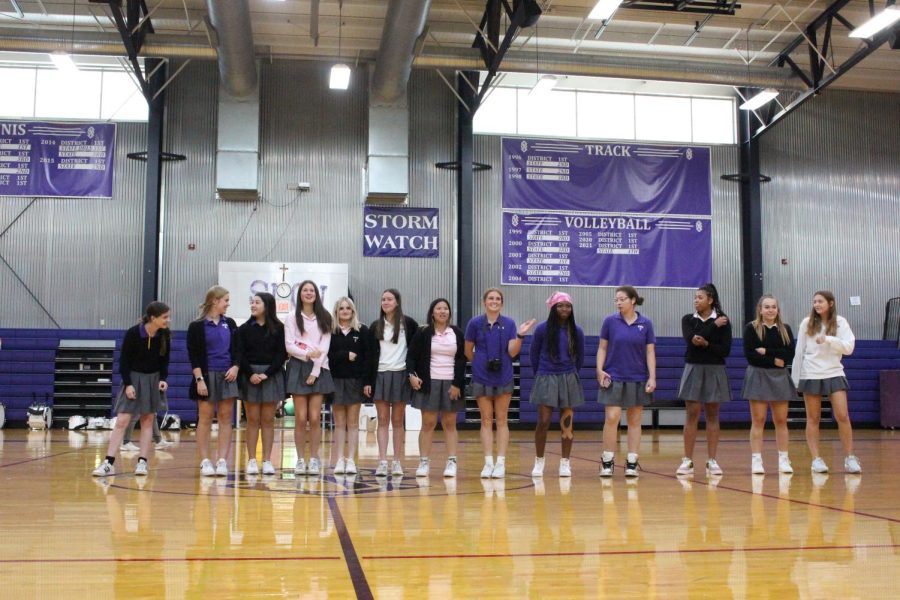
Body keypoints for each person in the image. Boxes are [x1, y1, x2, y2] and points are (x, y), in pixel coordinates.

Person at [92, 302, 171, 477]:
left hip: (153, 379)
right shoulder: (134, 333)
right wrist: (128, 384)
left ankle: (142, 462)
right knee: (122, 420)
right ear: (153, 318)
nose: (168, 320)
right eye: (165, 317)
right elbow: (124, 362)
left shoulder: (164, 335)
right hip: (134, 379)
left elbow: (165, 361)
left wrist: (163, 379)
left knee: (147, 421)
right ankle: (108, 463)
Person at [465, 288, 536, 479]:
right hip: (481, 376)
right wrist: (479, 363)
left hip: (503, 375)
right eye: (490, 298)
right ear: (484, 302)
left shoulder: (510, 324)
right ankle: (488, 463)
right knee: (486, 420)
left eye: (498, 299)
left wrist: (520, 335)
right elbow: (468, 351)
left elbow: (512, 352)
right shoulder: (474, 323)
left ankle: (501, 463)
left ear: (502, 303)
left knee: (502, 420)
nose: (494, 301)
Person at [791, 290, 859, 474]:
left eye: (820, 301)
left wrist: (829, 339)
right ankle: (816, 459)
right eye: (814, 301)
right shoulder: (807, 323)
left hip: (834, 372)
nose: (817, 304)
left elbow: (849, 348)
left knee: (843, 416)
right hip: (811, 373)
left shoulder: (840, 322)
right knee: (813, 418)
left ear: (830, 303)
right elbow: (799, 351)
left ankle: (850, 457)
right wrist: (796, 379)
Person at [596, 286, 657, 478]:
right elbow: (602, 348)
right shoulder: (609, 322)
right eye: (616, 300)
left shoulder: (645, 324)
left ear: (632, 300)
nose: (618, 302)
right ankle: (607, 461)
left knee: (634, 420)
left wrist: (652, 376)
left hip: (637, 377)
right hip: (613, 376)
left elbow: (650, 352)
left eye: (622, 299)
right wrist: (599, 370)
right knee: (612, 417)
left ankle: (632, 461)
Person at [676, 283, 732, 477]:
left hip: (715, 369)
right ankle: (687, 460)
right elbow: (692, 342)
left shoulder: (724, 322)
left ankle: (712, 460)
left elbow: (724, 351)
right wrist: (711, 329)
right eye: (695, 297)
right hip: (694, 368)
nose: (696, 301)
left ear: (711, 300)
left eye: (700, 297)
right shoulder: (688, 320)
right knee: (691, 414)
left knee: (712, 415)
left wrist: (706, 342)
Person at [407, 298, 467, 478]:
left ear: (449, 312)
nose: (442, 311)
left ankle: (451, 462)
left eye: (446, 309)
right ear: (432, 312)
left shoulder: (456, 332)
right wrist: (411, 376)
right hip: (429, 383)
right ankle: (424, 462)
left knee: (450, 423)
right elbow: (411, 357)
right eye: (439, 308)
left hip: (451, 383)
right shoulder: (423, 332)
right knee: (428, 423)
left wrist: (457, 383)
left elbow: (462, 360)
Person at [529, 292, 585, 478]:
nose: (565, 309)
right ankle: (539, 461)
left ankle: (565, 463)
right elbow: (533, 354)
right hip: (546, 376)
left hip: (568, 377)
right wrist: (541, 374)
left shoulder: (576, 331)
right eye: (560, 305)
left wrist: (571, 373)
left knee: (566, 424)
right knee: (543, 421)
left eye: (568, 306)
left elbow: (580, 357)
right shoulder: (542, 329)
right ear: (553, 308)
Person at [187, 286, 241, 477]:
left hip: (227, 375)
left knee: (226, 418)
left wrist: (235, 366)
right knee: (205, 418)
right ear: (214, 301)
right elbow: (193, 355)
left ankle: (222, 460)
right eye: (225, 300)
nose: (228, 304)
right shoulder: (196, 326)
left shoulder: (231, 324)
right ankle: (204, 461)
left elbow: (237, 350)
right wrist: (199, 379)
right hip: (206, 375)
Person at [284, 280, 334, 477]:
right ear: (299, 294)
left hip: (319, 368)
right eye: (305, 290)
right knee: (300, 418)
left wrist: (314, 371)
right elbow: (289, 345)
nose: (308, 293)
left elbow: (324, 346)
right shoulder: (291, 317)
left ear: (316, 294)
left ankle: (313, 458)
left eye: (312, 290)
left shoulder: (325, 317)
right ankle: (299, 459)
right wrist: (306, 354)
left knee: (314, 418)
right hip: (298, 366)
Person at [742, 294, 796, 475]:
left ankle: (783, 459)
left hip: (779, 377)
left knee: (781, 420)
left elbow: (789, 355)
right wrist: (776, 359)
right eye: (766, 307)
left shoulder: (785, 329)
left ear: (778, 309)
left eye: (773, 306)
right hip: (757, 375)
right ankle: (756, 460)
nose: (770, 310)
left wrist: (767, 352)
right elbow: (751, 356)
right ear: (760, 309)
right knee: (758, 420)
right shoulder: (751, 328)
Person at [367, 289, 418, 477]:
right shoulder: (375, 326)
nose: (385, 302)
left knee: (398, 421)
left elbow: (413, 352)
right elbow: (370, 355)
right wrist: (368, 381)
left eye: (389, 299)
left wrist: (412, 374)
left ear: (397, 302)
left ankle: (396, 461)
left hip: (400, 375)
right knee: (382, 420)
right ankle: (382, 461)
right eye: (383, 299)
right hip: (380, 374)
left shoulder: (409, 324)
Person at [236, 292, 286, 476]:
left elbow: (281, 354)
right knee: (252, 420)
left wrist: (266, 374)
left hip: (270, 375)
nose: (253, 305)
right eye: (252, 302)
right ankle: (251, 460)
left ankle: (266, 460)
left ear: (267, 305)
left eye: (257, 302)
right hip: (250, 376)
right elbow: (240, 354)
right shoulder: (244, 329)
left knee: (267, 420)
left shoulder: (279, 328)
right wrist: (251, 374)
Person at [328, 296, 369, 475]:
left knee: (352, 423)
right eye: (341, 308)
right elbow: (327, 356)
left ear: (353, 311)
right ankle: (339, 459)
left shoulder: (362, 331)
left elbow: (367, 358)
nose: (345, 311)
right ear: (336, 311)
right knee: (339, 423)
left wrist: (366, 381)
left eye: (348, 308)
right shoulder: (330, 332)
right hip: (336, 380)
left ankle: (351, 459)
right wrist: (345, 355)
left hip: (355, 381)